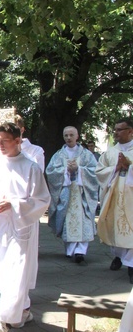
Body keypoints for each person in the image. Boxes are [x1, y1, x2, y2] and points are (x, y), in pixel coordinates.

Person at [0, 122, 50, 332]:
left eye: (4, 140)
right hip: (0, 227)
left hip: (21, 228)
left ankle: (2, 322)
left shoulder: (31, 167)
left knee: (17, 274)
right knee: (3, 274)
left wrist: (14, 204)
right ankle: (23, 311)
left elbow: (42, 200)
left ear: (18, 141)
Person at [46, 126, 99, 264]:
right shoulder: (58, 155)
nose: (68, 138)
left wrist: (79, 170)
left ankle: (80, 252)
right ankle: (70, 250)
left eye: (71, 135)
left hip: (82, 194)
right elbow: (50, 171)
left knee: (83, 220)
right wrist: (65, 171)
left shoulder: (86, 154)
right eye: (66, 135)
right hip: (66, 193)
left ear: (77, 136)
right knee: (66, 221)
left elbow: (95, 171)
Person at [96, 118, 133, 283]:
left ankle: (131, 265)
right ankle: (118, 256)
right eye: (115, 129)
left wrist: (129, 166)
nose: (116, 133)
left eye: (120, 129)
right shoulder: (110, 152)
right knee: (115, 228)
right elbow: (99, 171)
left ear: (130, 131)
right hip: (114, 196)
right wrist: (116, 168)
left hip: (131, 198)